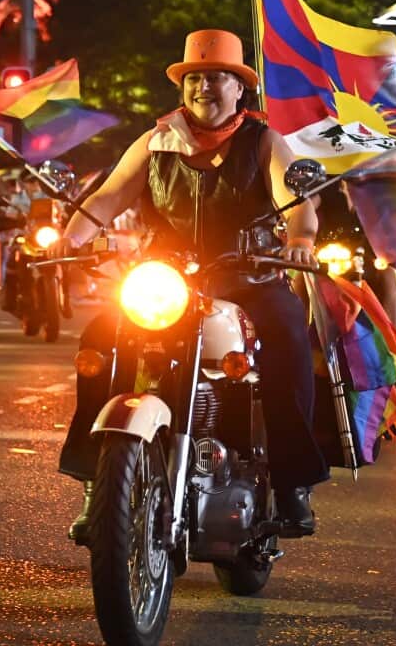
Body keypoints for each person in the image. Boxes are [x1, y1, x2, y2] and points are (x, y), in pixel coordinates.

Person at [47, 29, 327, 538]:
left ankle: (291, 483)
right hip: (166, 279)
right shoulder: (157, 141)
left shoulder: (264, 141)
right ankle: (97, 482)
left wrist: (300, 241)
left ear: (239, 88)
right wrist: (73, 237)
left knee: (288, 339)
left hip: (248, 276)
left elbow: (298, 202)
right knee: (99, 342)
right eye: (194, 77)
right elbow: (107, 197)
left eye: (217, 77)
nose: (204, 87)